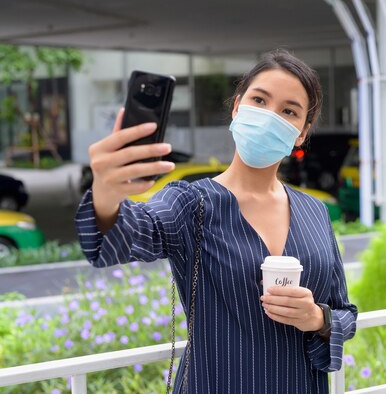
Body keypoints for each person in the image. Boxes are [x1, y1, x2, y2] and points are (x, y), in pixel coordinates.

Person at [75, 49, 358, 393]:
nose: (270, 116)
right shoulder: (190, 203)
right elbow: (113, 240)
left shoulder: (314, 212)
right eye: (259, 100)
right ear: (237, 108)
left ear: (302, 132)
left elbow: (344, 313)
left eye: (288, 111)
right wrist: (105, 190)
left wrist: (317, 318)